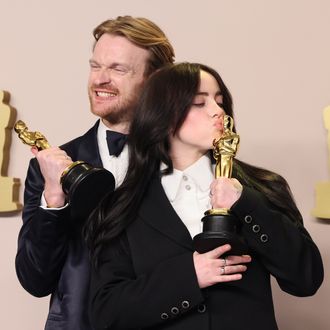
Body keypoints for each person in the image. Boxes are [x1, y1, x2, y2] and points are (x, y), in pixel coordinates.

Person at [86, 62, 324, 330]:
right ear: (161, 115)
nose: (217, 111)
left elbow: (306, 278)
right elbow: (106, 313)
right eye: (199, 103)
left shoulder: (263, 187)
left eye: (220, 101)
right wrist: (189, 276)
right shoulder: (121, 206)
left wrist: (244, 202)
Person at [15, 16, 175, 330]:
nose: (100, 80)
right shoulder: (48, 166)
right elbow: (35, 279)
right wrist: (54, 198)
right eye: (95, 66)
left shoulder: (185, 159)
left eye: (118, 69)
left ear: (154, 79)